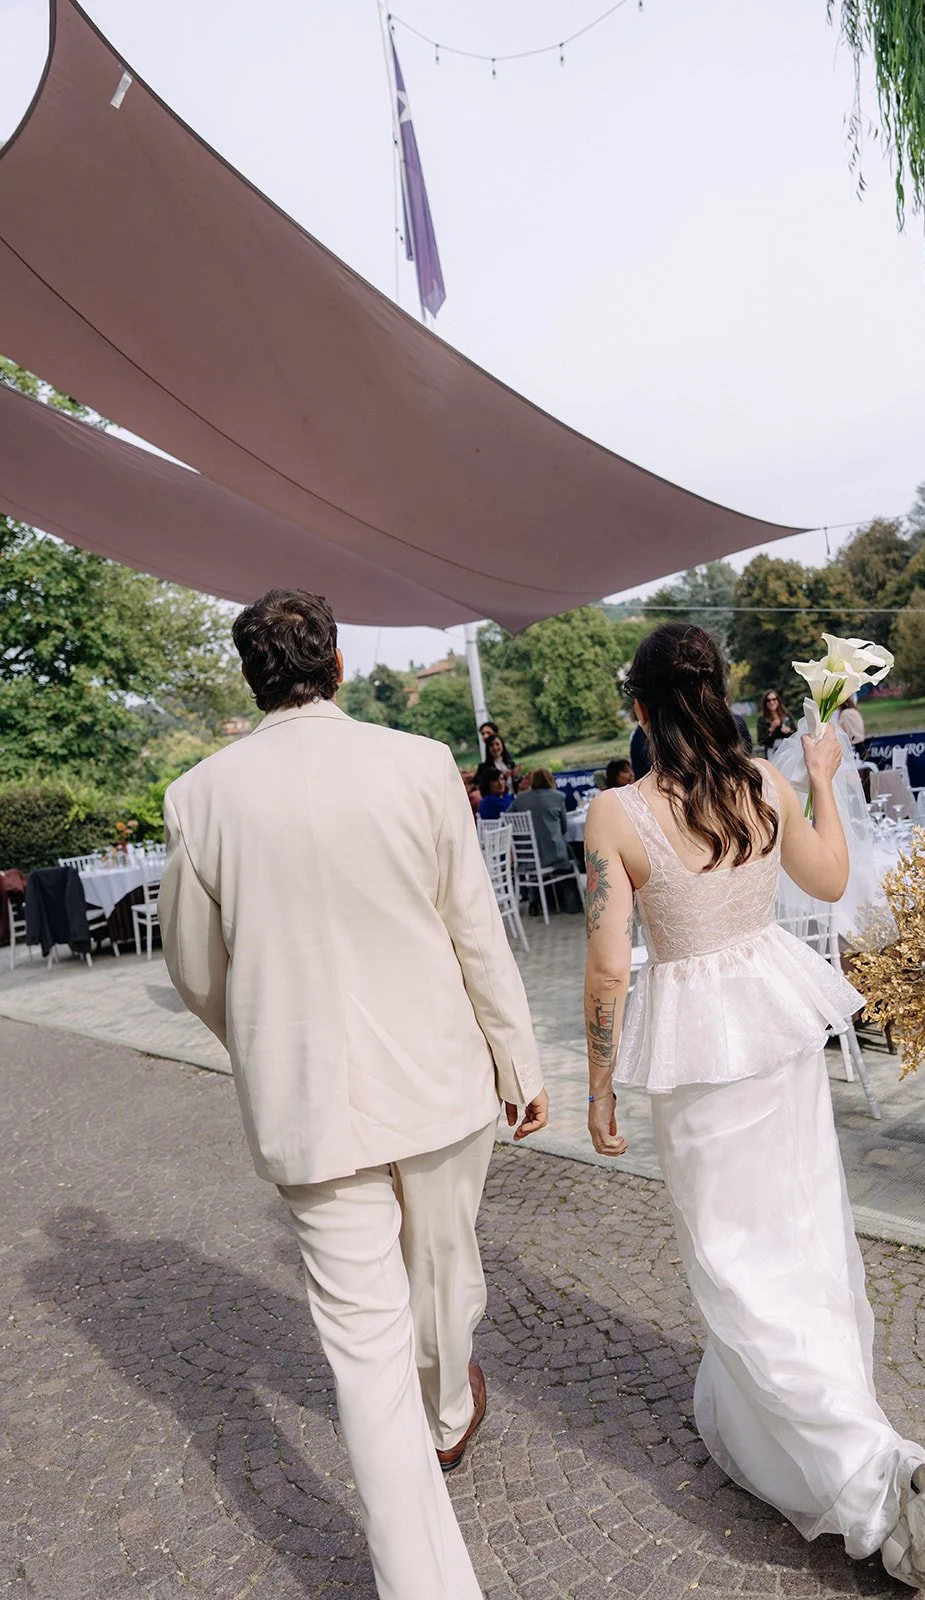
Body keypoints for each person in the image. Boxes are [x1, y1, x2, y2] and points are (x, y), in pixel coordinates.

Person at [159, 589, 548, 1599]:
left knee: (369, 1358)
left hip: (308, 1101)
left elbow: (195, 970)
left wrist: (261, 1038)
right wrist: (519, 1060)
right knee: (448, 1280)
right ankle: (450, 1412)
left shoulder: (200, 794)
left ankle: (425, 1557)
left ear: (254, 678)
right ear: (333, 665)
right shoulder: (417, 762)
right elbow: (474, 926)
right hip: (438, 1077)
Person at [580, 622, 925, 1594]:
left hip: (699, 1043)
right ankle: (814, 1432)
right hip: (776, 1025)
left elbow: (607, 968)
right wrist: (823, 774)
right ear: (717, 694)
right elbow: (826, 880)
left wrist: (596, 1084)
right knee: (797, 1237)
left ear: (641, 708)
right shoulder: (760, 783)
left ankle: (871, 1479)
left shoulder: (615, 812)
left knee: (731, 1257)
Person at [510, 768, 571, 871]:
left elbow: (505, 819)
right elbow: (564, 828)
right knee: (570, 849)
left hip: (527, 856)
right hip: (553, 854)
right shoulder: (558, 797)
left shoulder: (520, 799)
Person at [756, 689, 795, 754]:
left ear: (778, 700)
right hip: (772, 752)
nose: (771, 702)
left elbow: (796, 733)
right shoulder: (762, 719)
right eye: (768, 700)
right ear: (765, 703)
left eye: (774, 699)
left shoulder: (787, 715)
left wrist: (789, 731)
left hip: (788, 750)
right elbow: (760, 741)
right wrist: (771, 729)